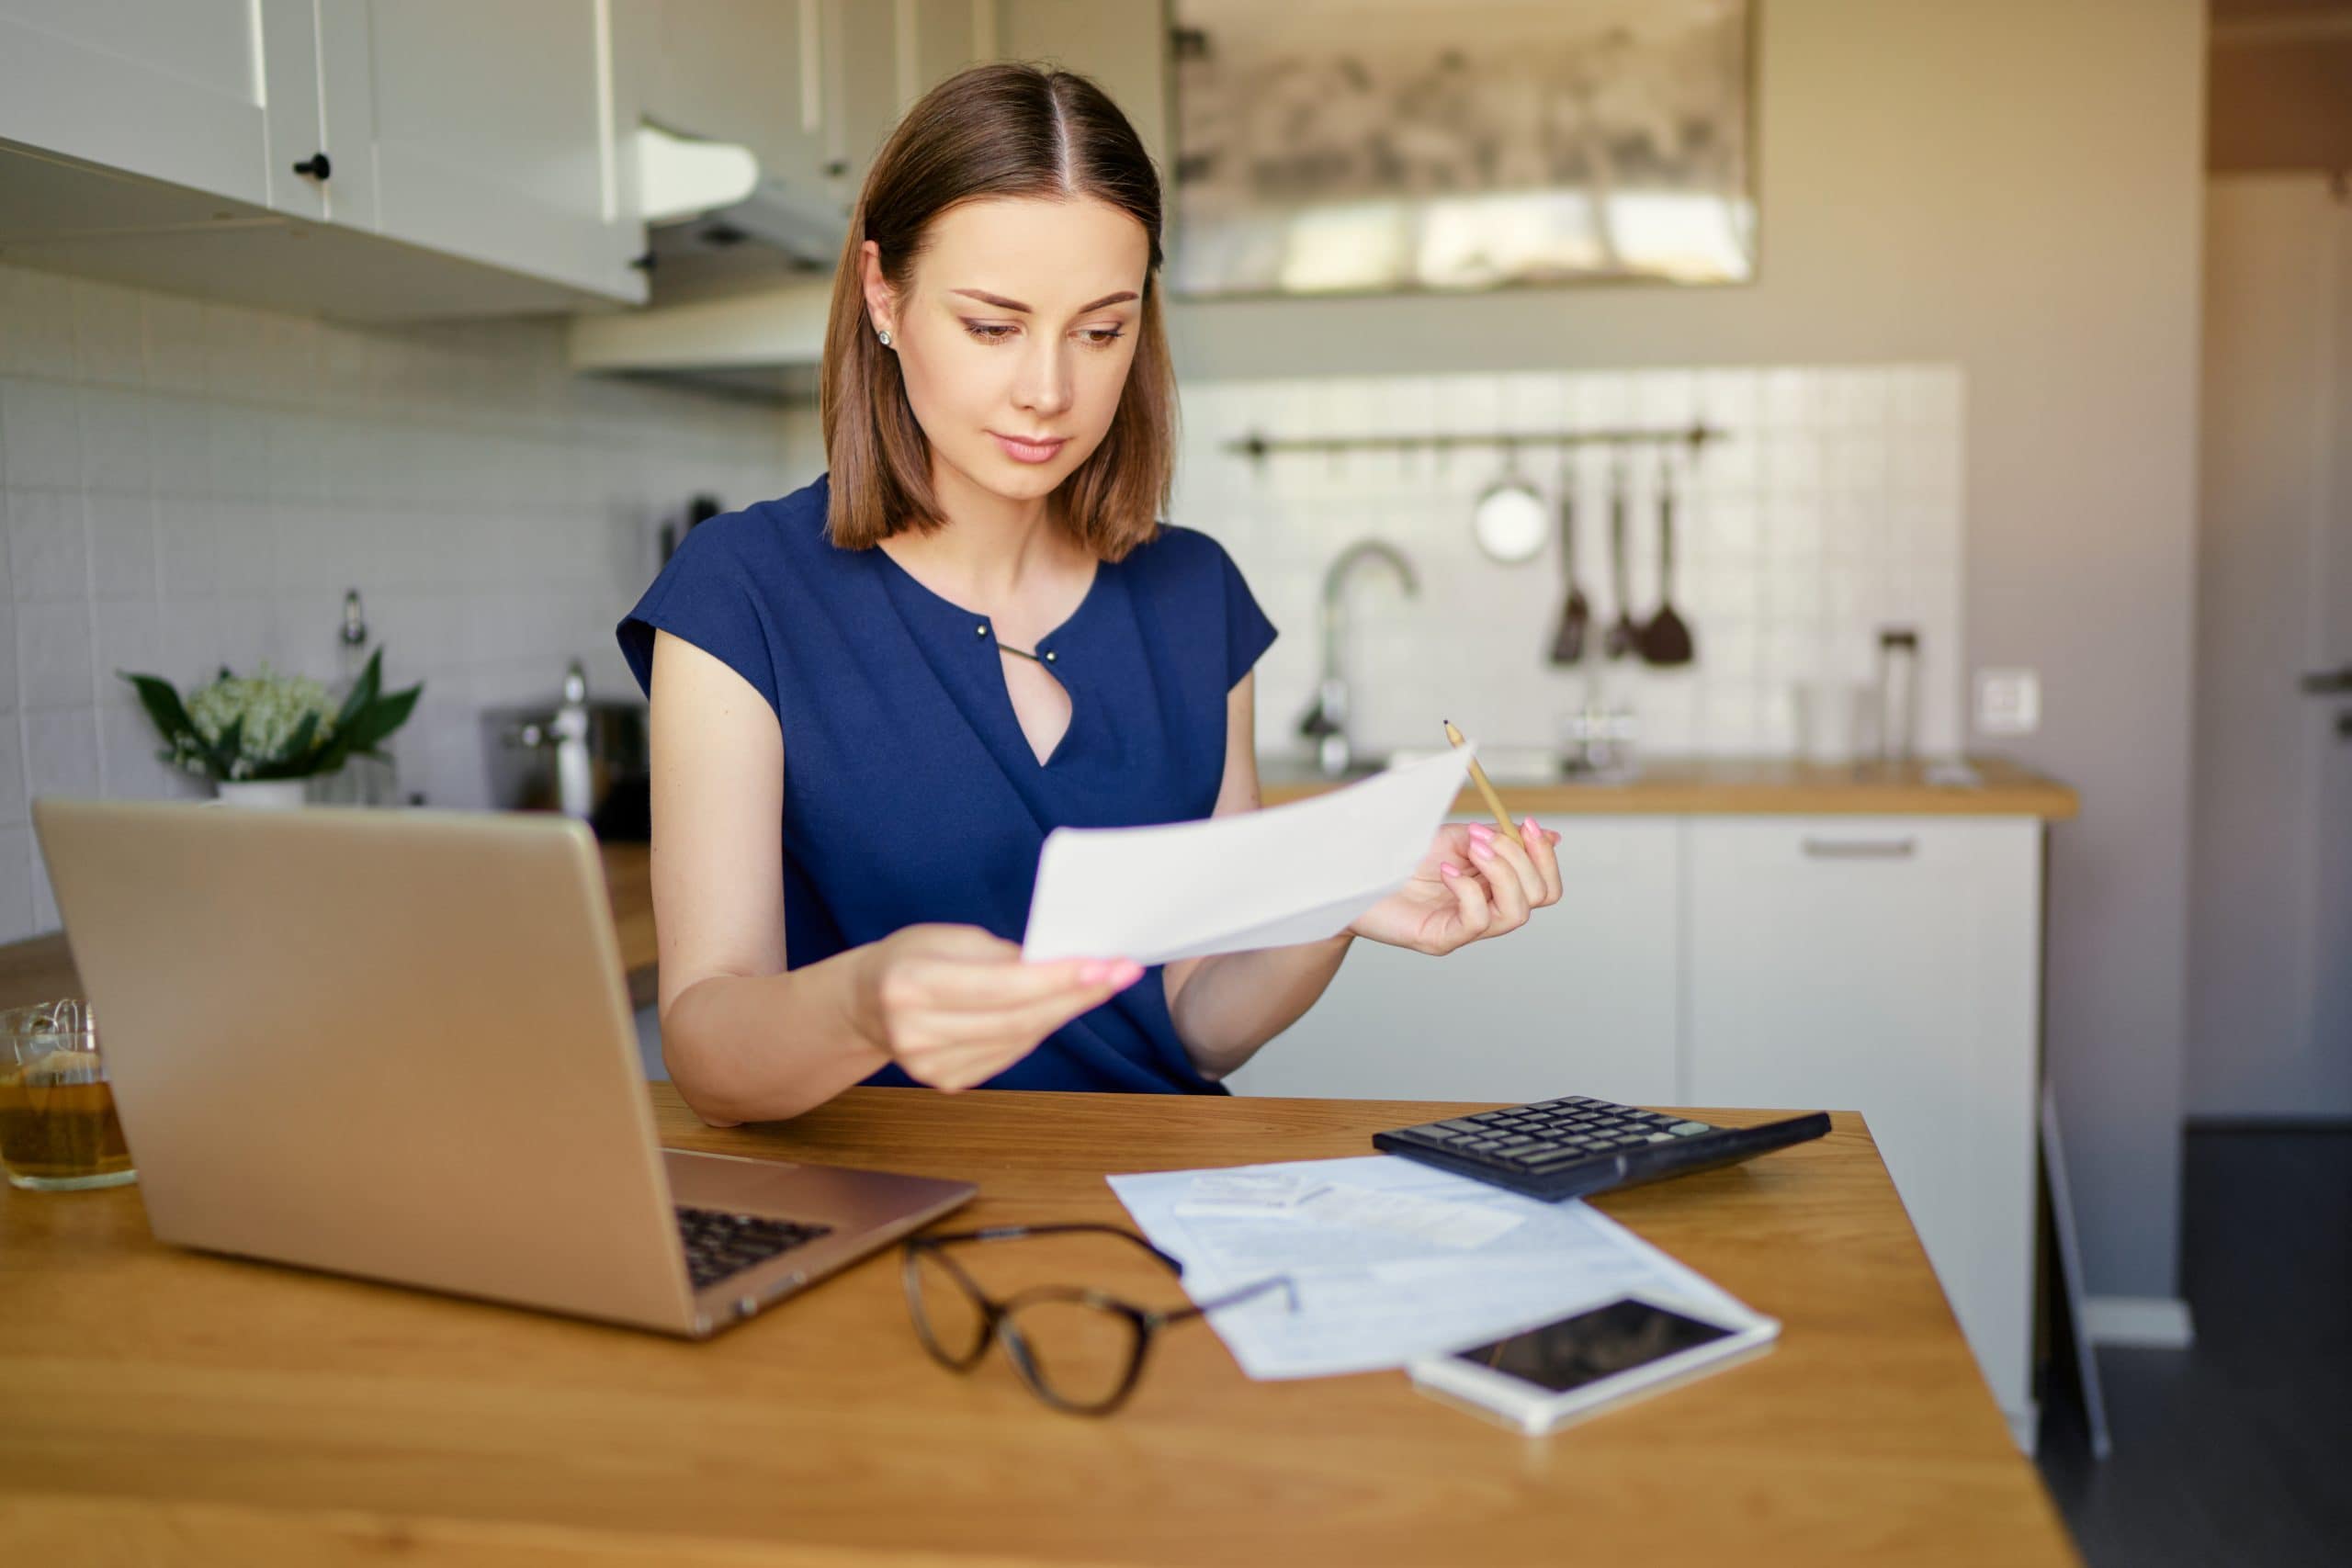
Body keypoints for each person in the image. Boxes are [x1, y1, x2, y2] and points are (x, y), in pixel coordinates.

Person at [616, 62, 1562, 1127]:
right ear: (884, 294)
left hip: (1159, 1197)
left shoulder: (1194, 596)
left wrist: (1339, 899)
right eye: (991, 326)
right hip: (875, 1210)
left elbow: (1197, 1015)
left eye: (1101, 330)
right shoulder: (742, 593)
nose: (1050, 391)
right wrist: (864, 1007)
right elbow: (705, 1043)